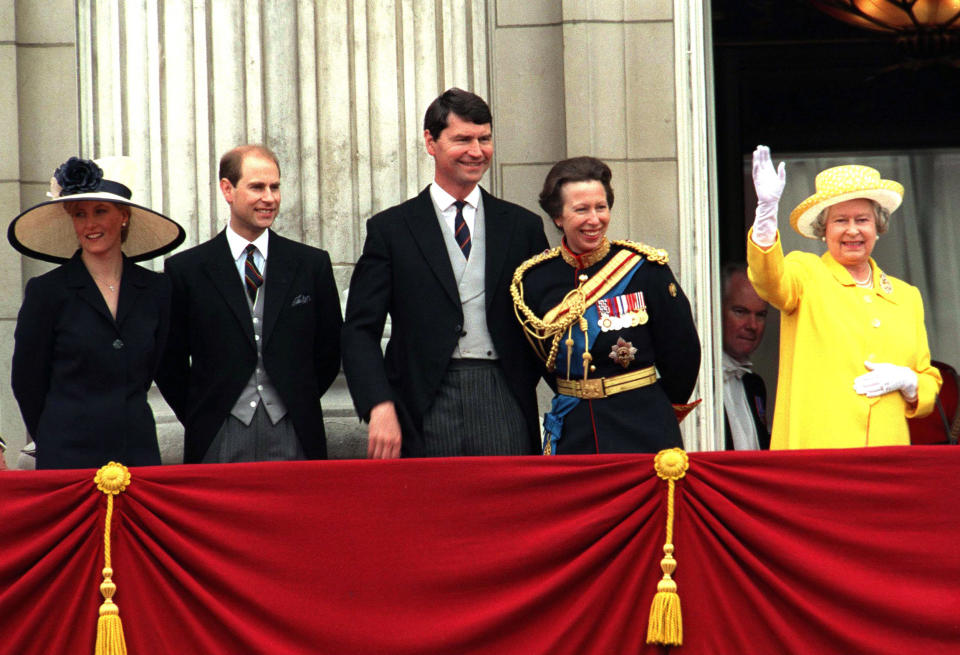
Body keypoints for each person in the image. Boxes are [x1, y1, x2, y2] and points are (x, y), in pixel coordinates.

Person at [341, 88, 549, 458]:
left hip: (503, 394)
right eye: (462, 139)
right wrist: (379, 405)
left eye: (484, 139)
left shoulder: (523, 227)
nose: (476, 150)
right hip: (421, 401)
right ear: (430, 142)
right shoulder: (391, 229)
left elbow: (547, 321)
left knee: (505, 511)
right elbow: (359, 329)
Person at [156, 144, 342, 463]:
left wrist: (294, 401)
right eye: (257, 187)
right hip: (218, 433)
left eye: (275, 187)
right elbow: (168, 361)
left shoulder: (311, 265)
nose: (269, 198)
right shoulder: (186, 270)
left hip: (293, 431)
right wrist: (206, 413)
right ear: (227, 189)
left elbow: (330, 350)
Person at [748, 145, 941, 448]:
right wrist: (766, 215)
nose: (853, 230)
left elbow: (929, 380)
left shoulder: (907, 297)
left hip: (886, 458)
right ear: (823, 230)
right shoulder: (805, 273)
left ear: (878, 227)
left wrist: (909, 381)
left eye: (862, 220)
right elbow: (768, 281)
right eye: (840, 221)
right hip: (819, 457)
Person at [511, 156, 701, 454]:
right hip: (576, 434)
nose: (594, 219)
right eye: (581, 209)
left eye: (601, 207)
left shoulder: (645, 269)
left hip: (643, 430)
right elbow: (543, 364)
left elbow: (683, 352)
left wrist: (655, 410)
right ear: (558, 217)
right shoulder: (534, 281)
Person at [8, 155, 185, 469]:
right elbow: (27, 382)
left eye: (100, 211)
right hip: (67, 460)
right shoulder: (47, 292)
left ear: (124, 216)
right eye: (79, 214)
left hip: (138, 457)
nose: (89, 224)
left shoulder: (157, 290)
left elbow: (163, 369)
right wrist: (54, 438)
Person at [721, 261, 771, 450]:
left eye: (760, 315)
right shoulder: (700, 382)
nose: (752, 325)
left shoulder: (754, 385)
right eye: (740, 312)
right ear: (716, 311)